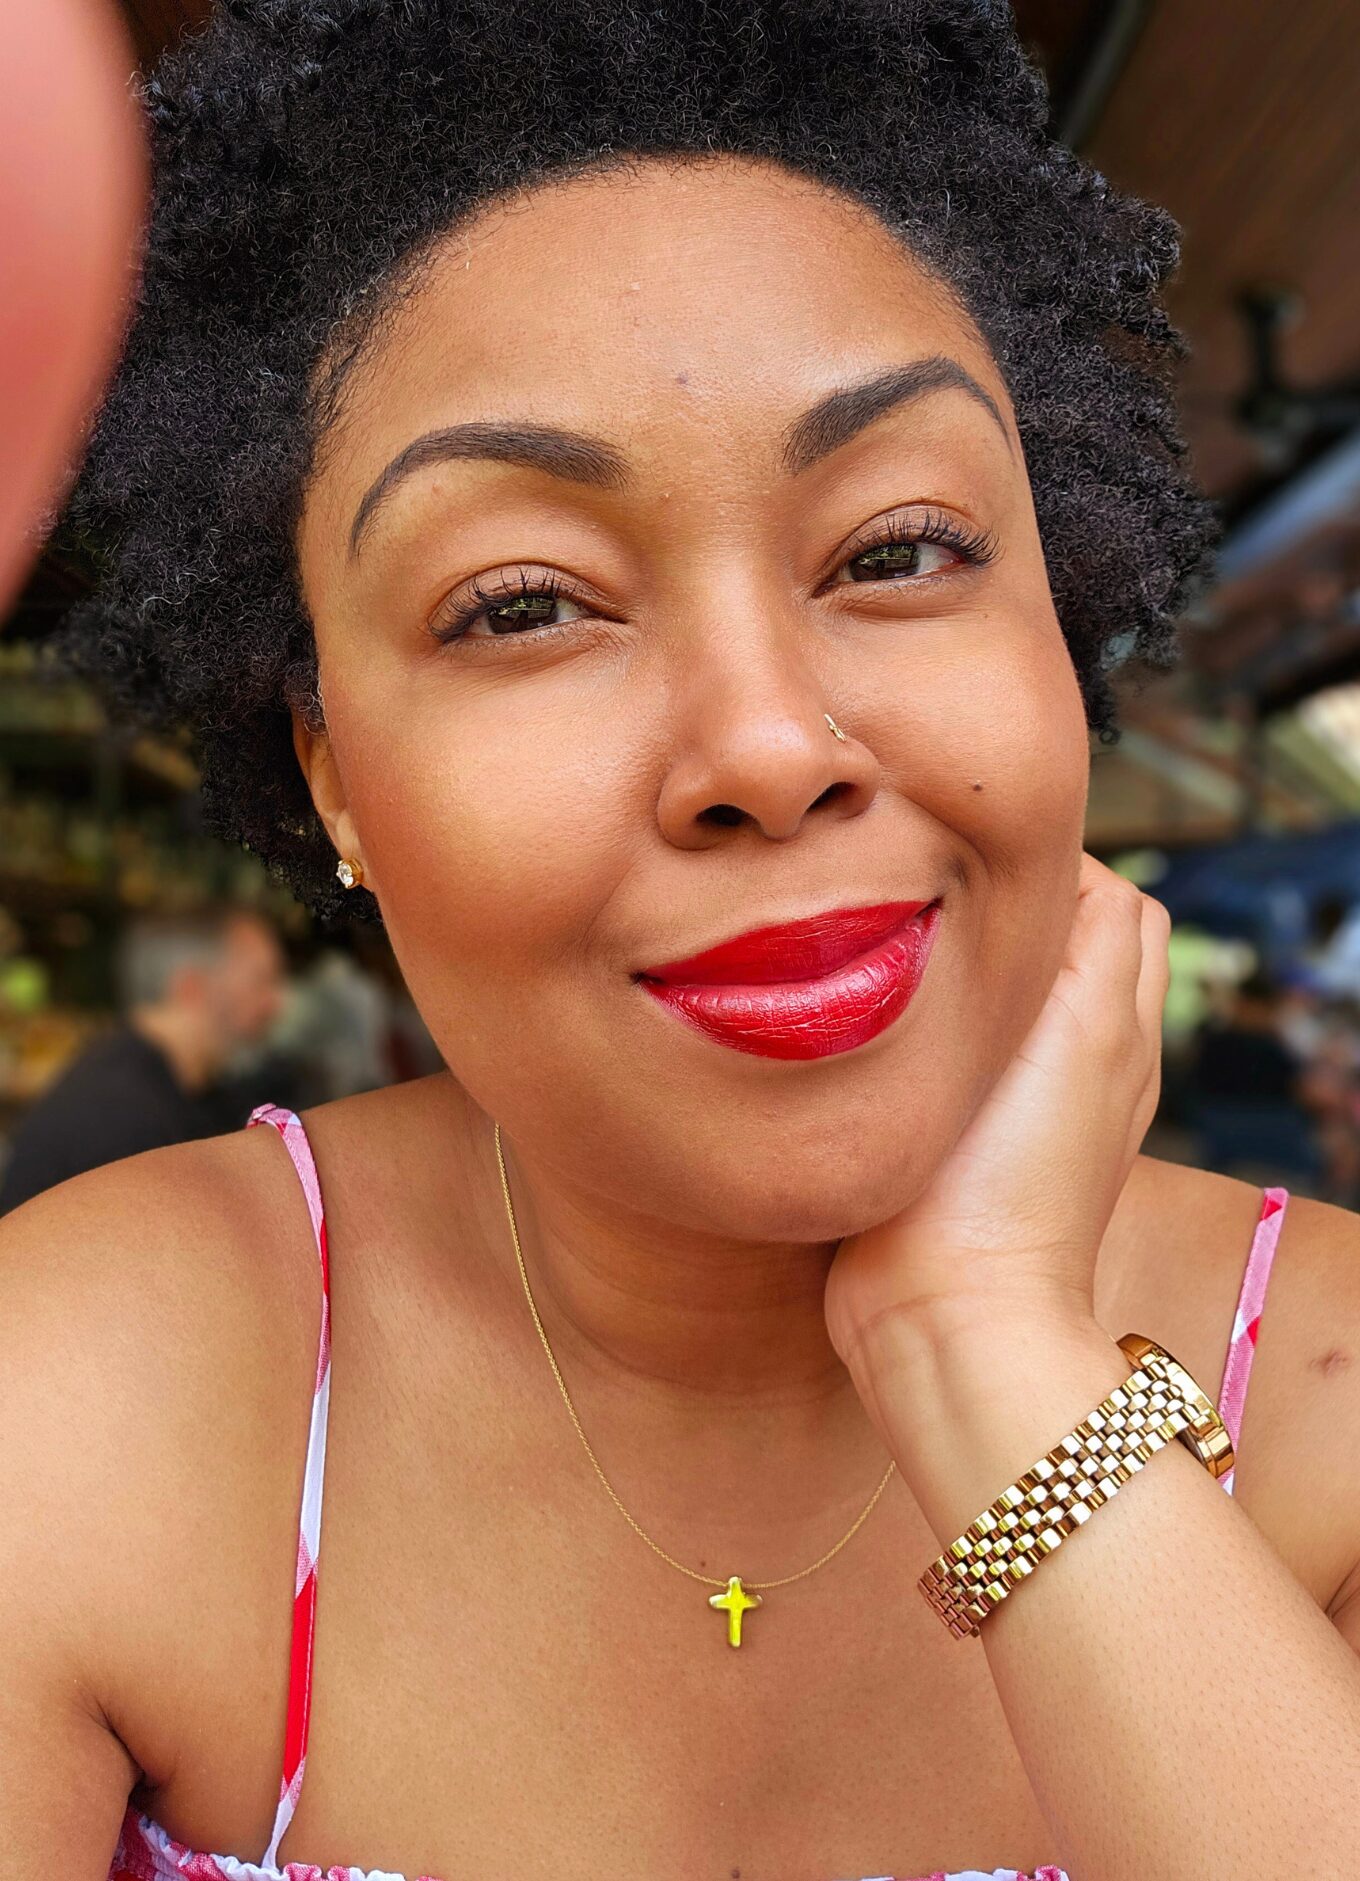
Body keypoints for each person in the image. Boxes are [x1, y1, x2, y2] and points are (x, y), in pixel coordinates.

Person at [3, 5, 1359, 1878]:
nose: (770, 747)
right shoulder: (71, 1396)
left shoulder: (1332, 1394)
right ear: (330, 778)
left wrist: (990, 1350)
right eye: (524, 603)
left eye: (897, 552)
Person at [0, 906, 287, 1213]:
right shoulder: (125, 1119)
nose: (275, 1003)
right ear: (192, 988)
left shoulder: (178, 1087)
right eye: (260, 980)